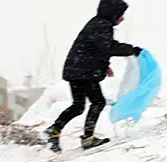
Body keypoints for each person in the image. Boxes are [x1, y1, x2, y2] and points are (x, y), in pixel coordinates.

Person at [43, 0, 143, 153]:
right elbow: (108, 46)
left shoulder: (97, 24)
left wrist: (104, 66)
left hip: (77, 70)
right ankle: (87, 138)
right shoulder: (102, 25)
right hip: (83, 72)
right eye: (121, 15)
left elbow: (95, 49)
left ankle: (54, 131)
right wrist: (132, 50)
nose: (122, 19)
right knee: (98, 102)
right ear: (113, 13)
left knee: (78, 106)